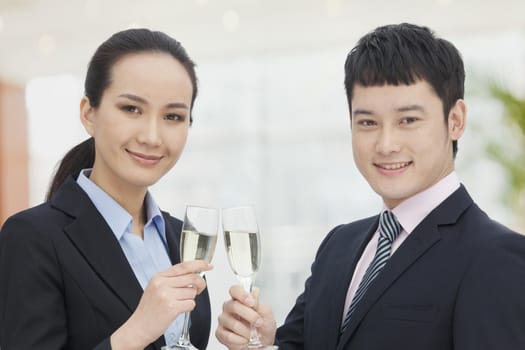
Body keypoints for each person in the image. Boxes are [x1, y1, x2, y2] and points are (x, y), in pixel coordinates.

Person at [215, 23, 525, 350]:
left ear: (455, 120)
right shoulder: (338, 246)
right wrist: (259, 344)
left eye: (408, 120)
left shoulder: (496, 258)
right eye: (367, 123)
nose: (386, 144)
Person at [0, 28, 213, 350]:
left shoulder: (182, 237)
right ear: (89, 113)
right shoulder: (31, 237)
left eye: (172, 116)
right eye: (131, 109)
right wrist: (134, 334)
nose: (152, 137)